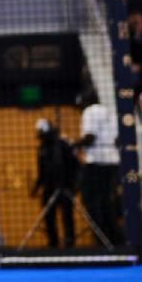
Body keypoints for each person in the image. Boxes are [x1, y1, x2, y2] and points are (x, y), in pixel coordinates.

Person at [73, 89, 122, 246]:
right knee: (108, 202)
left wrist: (73, 145)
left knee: (92, 203)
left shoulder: (90, 111)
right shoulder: (111, 113)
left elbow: (90, 137)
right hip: (113, 163)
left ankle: (100, 241)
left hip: (96, 164)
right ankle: (113, 240)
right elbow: (116, 140)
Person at [31, 119, 77, 249]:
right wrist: (36, 187)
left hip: (65, 185)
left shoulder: (62, 144)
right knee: (48, 215)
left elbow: (74, 165)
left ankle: (69, 241)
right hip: (49, 187)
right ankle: (53, 241)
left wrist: (74, 184)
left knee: (67, 215)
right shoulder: (41, 149)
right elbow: (41, 171)